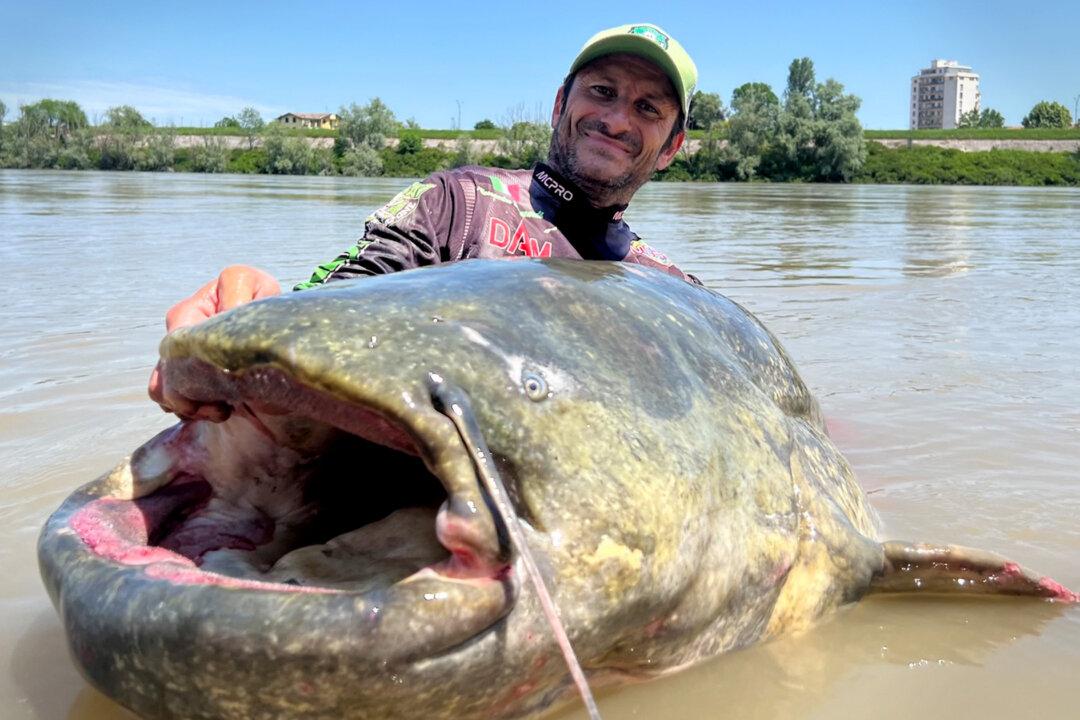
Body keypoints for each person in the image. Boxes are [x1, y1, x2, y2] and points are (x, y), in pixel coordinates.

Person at [151, 23, 700, 420]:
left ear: (672, 145)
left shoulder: (675, 293)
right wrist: (259, 312)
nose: (615, 118)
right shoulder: (456, 203)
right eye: (602, 92)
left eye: (648, 108)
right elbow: (343, 297)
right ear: (560, 104)